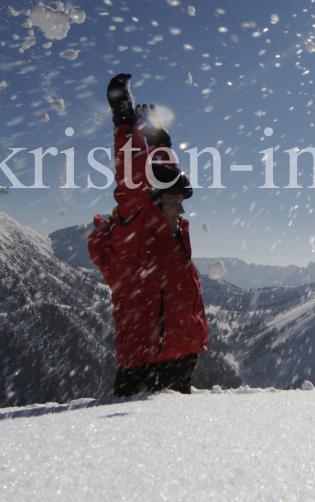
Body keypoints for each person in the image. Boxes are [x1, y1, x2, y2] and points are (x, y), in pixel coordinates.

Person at [88, 73, 208, 396]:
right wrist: (124, 121)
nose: (181, 211)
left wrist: (159, 144)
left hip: (177, 361)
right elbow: (132, 184)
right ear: (154, 204)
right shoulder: (137, 234)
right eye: (175, 203)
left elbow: (162, 179)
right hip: (150, 370)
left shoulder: (169, 231)